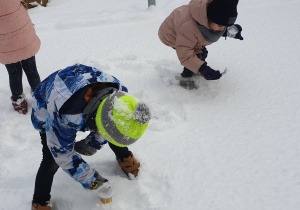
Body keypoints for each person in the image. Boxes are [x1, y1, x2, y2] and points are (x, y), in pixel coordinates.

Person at [31, 64, 151, 210]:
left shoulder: (122, 100)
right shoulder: (65, 114)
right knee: (51, 158)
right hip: (48, 104)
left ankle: (123, 156)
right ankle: (40, 201)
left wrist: (94, 142)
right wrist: (90, 179)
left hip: (88, 95)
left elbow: (109, 125)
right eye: (103, 131)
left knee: (117, 133)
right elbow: (61, 153)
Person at [158, 0, 243, 89]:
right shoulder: (189, 28)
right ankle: (186, 79)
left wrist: (229, 32)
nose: (222, 29)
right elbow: (185, 55)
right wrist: (202, 68)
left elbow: (215, 29)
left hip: (186, 33)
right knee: (197, 55)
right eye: (220, 25)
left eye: (225, 26)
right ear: (210, 18)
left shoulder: (212, 16)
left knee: (202, 54)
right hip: (170, 35)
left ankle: (195, 68)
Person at [0, 0, 41, 114]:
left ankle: (19, 102)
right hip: (23, 37)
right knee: (31, 69)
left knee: (14, 74)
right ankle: (40, 97)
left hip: (5, 44)